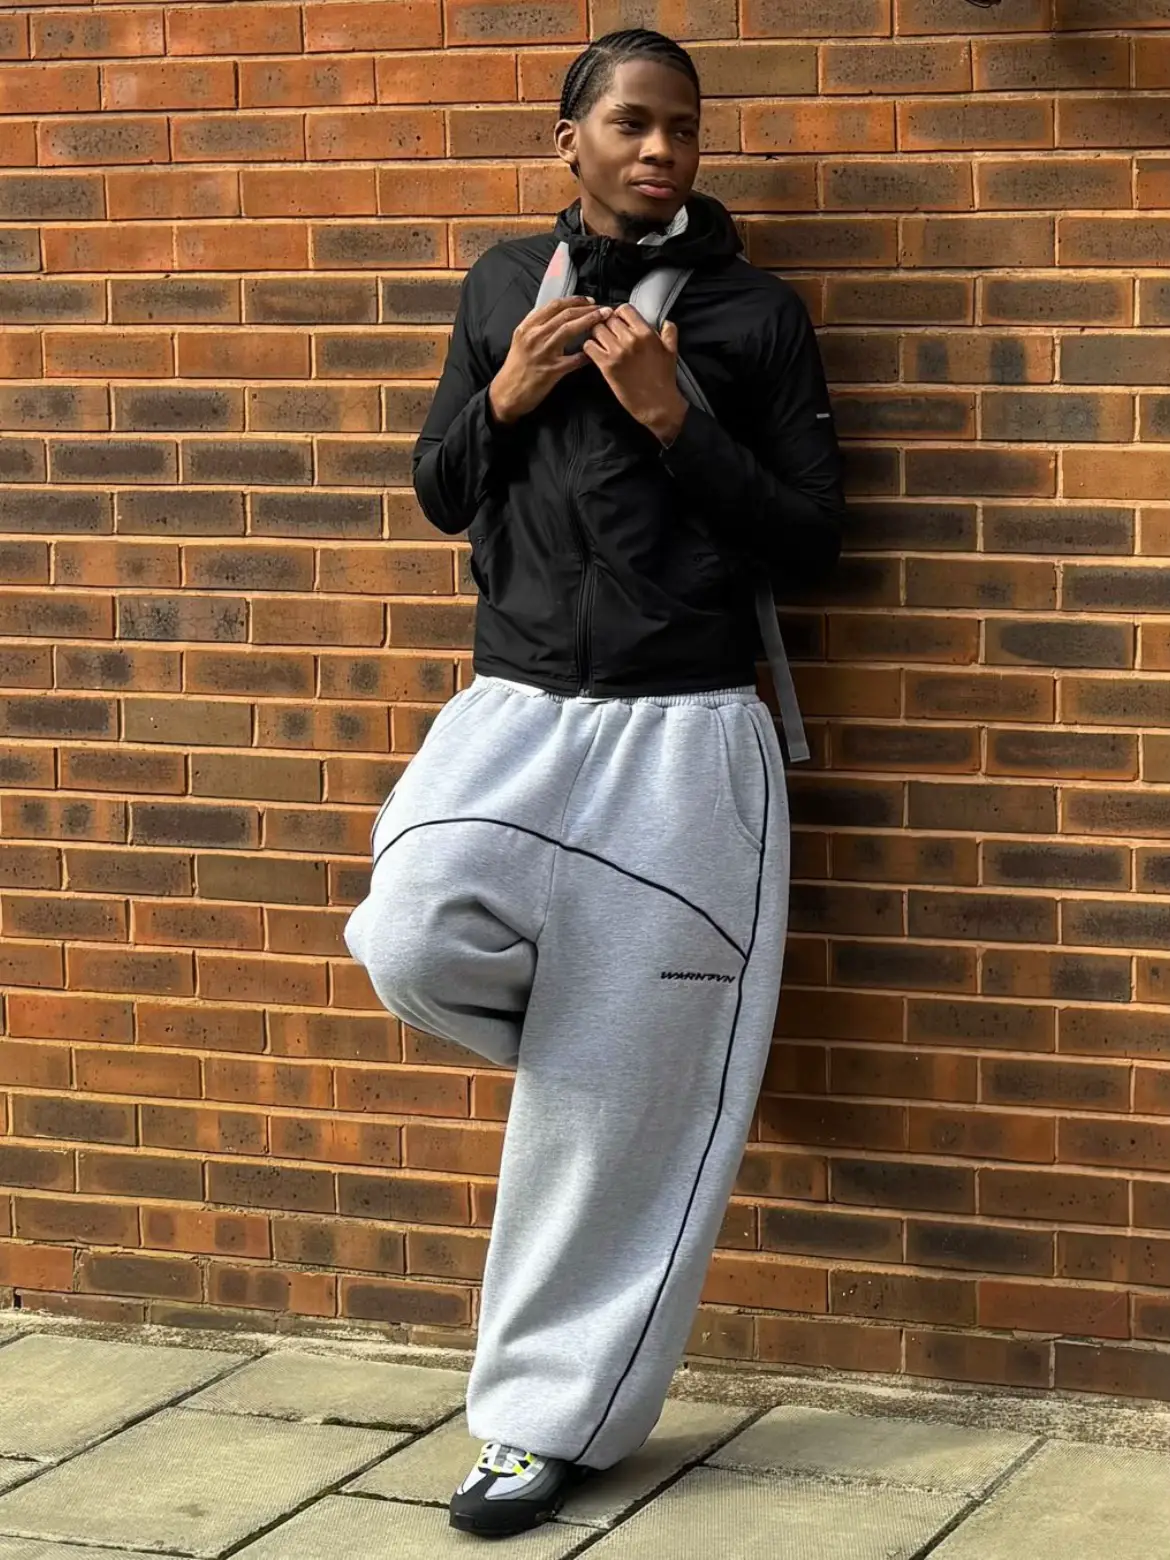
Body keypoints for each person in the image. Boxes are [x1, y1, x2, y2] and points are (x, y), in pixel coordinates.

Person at [344, 27, 844, 1539]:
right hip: (513, 709)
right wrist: (503, 394)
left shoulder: (755, 316)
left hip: (686, 729)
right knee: (410, 928)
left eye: (682, 127)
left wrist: (674, 418)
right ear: (568, 139)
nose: (660, 150)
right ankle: (620, 1055)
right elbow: (440, 491)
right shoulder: (506, 283)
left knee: (619, 1114)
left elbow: (813, 539)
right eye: (630, 124)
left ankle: (536, 1426)